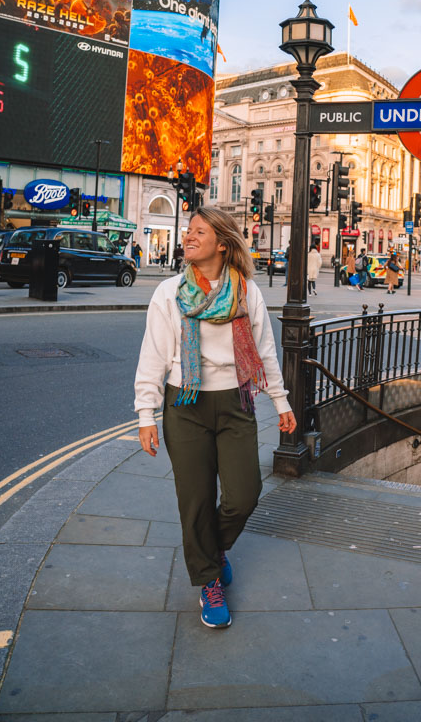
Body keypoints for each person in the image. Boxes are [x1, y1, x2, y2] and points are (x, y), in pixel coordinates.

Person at [135, 207, 297, 629]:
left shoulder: (247, 293)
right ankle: (209, 580)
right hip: (184, 404)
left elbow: (264, 353)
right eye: (188, 231)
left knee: (245, 494)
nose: (188, 237)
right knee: (196, 499)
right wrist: (145, 414)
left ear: (222, 243)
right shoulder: (169, 293)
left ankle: (212, 550)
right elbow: (152, 356)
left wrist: (281, 403)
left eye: (199, 231)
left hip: (235, 401)